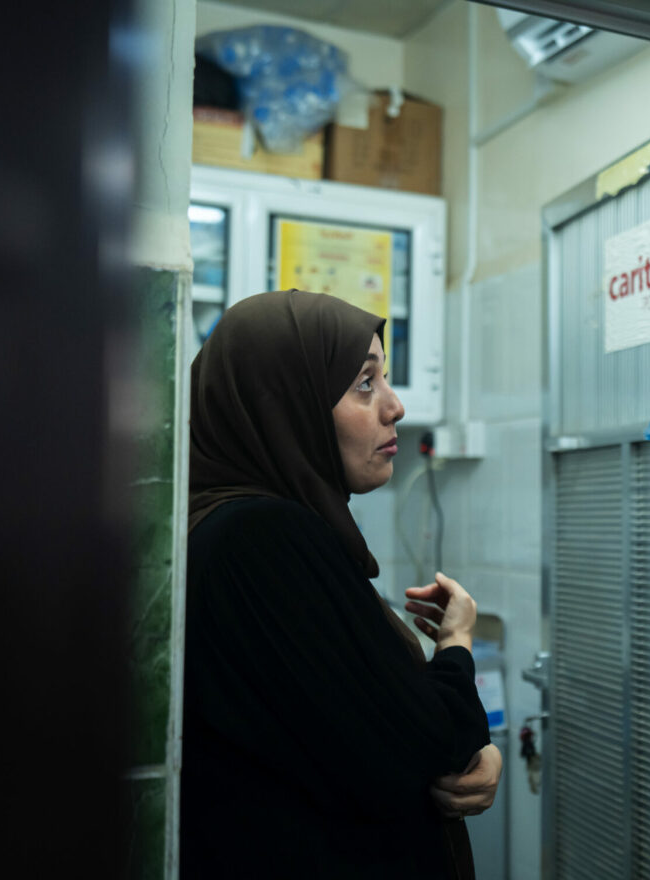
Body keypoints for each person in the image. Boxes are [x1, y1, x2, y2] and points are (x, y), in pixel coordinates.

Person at [182, 290, 502, 878]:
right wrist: (456, 642)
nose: (394, 406)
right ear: (286, 404)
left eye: (385, 379)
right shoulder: (262, 538)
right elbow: (426, 750)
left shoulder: (213, 527)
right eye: (364, 383)